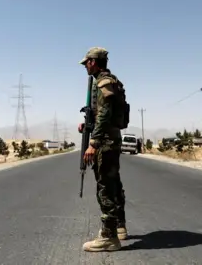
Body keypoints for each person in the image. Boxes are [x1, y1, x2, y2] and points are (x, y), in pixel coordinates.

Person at [77, 47, 128, 252]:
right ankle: (119, 226)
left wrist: (93, 142)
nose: (85, 67)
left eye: (86, 63)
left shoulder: (104, 82)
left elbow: (105, 114)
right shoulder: (109, 80)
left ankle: (109, 236)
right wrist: (87, 125)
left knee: (105, 186)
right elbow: (101, 114)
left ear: (93, 62)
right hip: (110, 138)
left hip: (105, 141)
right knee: (114, 183)